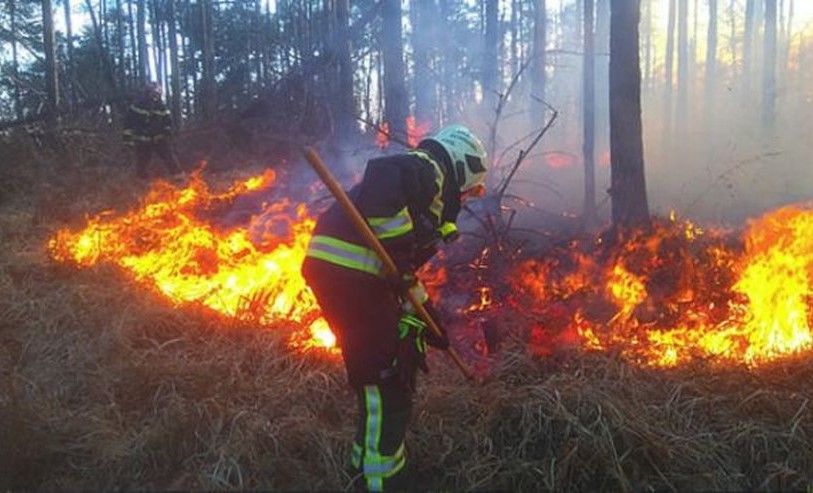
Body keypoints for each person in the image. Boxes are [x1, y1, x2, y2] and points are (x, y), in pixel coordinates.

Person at [301, 124, 488, 491]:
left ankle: (366, 462)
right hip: (347, 273)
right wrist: (402, 254)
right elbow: (381, 182)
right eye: (471, 188)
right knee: (383, 375)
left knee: (396, 364)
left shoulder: (426, 200)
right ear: (461, 165)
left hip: (357, 279)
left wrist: (430, 320)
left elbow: (399, 276)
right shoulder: (426, 167)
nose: (467, 197)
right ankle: (379, 480)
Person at [122, 82, 182, 179]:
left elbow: (168, 122)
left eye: (157, 94)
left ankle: (179, 178)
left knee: (169, 158)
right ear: (147, 93)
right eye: (152, 94)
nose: (154, 97)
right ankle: (141, 183)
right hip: (143, 141)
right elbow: (128, 124)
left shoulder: (162, 106)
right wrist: (127, 140)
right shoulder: (137, 106)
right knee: (142, 162)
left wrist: (167, 131)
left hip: (159, 139)